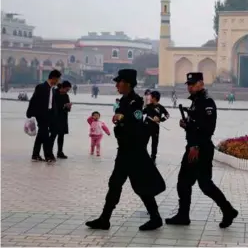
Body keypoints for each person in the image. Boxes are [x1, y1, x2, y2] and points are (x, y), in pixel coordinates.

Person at [85, 69, 166, 231]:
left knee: (140, 186)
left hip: (133, 151)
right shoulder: (123, 100)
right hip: (124, 150)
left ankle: (155, 218)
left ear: (127, 83)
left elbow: (135, 123)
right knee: (115, 184)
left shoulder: (135, 101)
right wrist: (119, 119)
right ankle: (104, 219)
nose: (116, 85)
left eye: (119, 82)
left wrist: (122, 119)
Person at [165, 72, 238, 228]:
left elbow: (207, 129)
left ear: (201, 84)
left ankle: (228, 210)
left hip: (200, 148)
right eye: (188, 84)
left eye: (192, 84)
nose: (189, 87)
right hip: (193, 146)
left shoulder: (206, 102)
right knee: (184, 182)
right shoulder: (196, 102)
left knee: (204, 184)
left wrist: (195, 145)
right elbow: (194, 125)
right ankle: (183, 215)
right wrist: (186, 124)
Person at [26, 69, 62, 162]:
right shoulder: (41, 87)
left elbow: (51, 103)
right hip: (41, 115)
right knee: (45, 135)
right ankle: (48, 156)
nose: (58, 81)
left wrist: (55, 115)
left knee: (41, 135)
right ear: (53, 78)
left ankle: (35, 154)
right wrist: (30, 114)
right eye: (57, 79)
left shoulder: (52, 89)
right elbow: (33, 100)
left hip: (49, 115)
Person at [143, 91, 170, 163]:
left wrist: (160, 120)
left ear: (154, 98)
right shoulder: (148, 106)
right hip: (146, 127)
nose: (149, 98)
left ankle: (153, 158)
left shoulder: (161, 107)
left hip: (155, 128)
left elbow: (167, 115)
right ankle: (144, 157)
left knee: (154, 143)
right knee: (144, 142)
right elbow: (142, 113)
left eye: (151, 97)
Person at [49, 81, 72, 159]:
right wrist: (63, 106)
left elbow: (67, 108)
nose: (67, 91)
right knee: (53, 135)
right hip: (54, 118)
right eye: (66, 89)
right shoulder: (54, 94)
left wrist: (68, 106)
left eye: (68, 90)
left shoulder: (66, 96)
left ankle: (60, 152)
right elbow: (52, 106)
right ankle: (49, 152)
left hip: (63, 117)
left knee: (61, 136)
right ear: (62, 87)